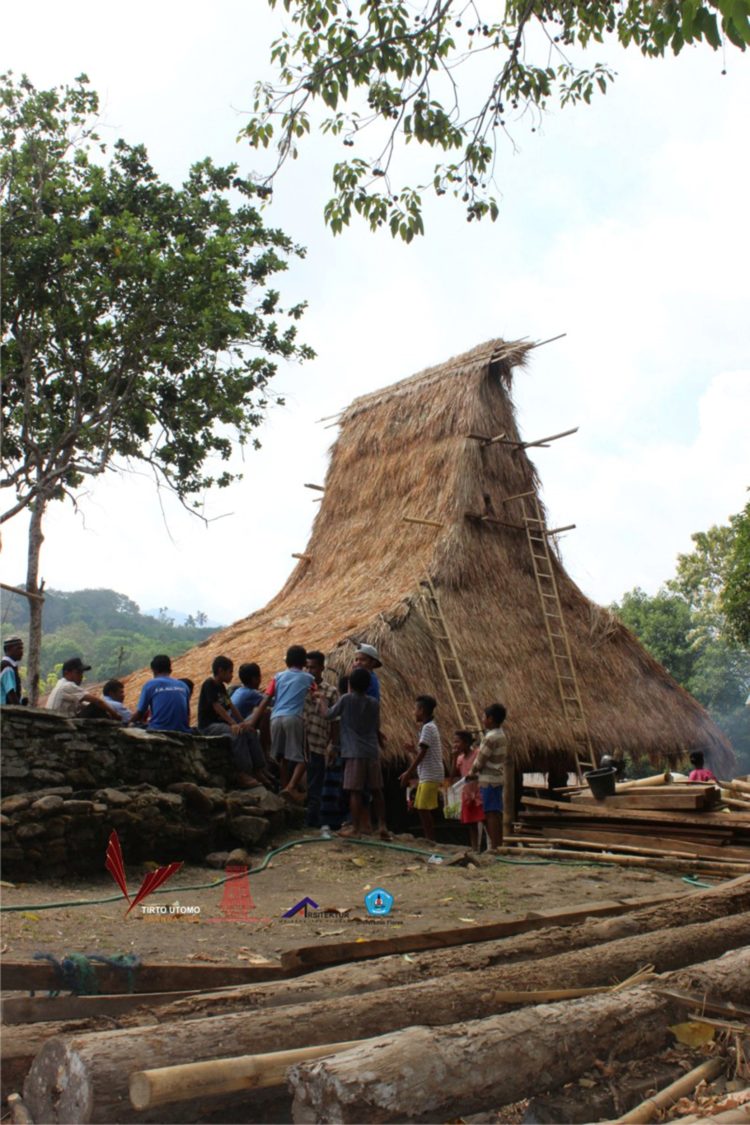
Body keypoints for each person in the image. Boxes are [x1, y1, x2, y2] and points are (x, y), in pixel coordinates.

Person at [319, 666, 389, 839]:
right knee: (377, 790)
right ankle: (382, 825)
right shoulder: (374, 703)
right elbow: (376, 727)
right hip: (371, 751)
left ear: (350, 684)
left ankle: (356, 829)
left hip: (353, 752)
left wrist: (321, 700)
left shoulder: (346, 699)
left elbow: (328, 715)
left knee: (355, 791)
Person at [249, 645, 315, 800]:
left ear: (288, 661)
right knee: (304, 759)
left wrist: (252, 723)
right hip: (294, 718)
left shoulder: (277, 677)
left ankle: (284, 789)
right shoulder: (308, 678)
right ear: (304, 662)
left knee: (282, 757)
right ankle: (291, 787)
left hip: (275, 718)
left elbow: (265, 700)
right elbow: (315, 694)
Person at [198, 655, 270, 789]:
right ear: (221, 671)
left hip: (221, 724)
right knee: (237, 735)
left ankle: (259, 769)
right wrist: (233, 724)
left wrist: (244, 723)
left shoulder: (222, 688)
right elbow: (217, 707)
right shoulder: (209, 684)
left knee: (249, 732)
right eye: (230, 671)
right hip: (209, 726)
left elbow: (230, 706)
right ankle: (243, 773)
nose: (232, 675)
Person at [399, 694, 444, 843]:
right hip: (428, 773)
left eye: (415, 709)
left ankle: (431, 840)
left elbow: (423, 753)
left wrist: (408, 773)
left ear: (422, 710)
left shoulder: (428, 728)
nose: (414, 712)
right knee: (420, 807)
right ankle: (429, 838)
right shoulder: (429, 727)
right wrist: (413, 750)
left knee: (423, 808)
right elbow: (423, 751)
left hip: (430, 774)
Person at [303, 651, 339, 828]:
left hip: (318, 744)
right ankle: (298, 822)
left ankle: (311, 824)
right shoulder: (300, 687)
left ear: (322, 668)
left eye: (313, 667)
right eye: (307, 667)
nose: (310, 671)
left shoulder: (331, 691)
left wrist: (333, 745)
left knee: (315, 787)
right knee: (300, 785)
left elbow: (335, 722)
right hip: (301, 744)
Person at [467, 703, 508, 851]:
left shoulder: (490, 737)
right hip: (497, 779)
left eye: (484, 717)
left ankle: (495, 847)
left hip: (488, 780)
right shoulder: (501, 735)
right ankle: (499, 845)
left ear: (490, 719)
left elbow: (481, 759)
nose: (482, 719)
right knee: (496, 814)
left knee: (490, 813)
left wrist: (471, 772)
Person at [129, 655, 191, 733]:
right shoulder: (183, 686)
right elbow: (187, 714)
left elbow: (140, 713)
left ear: (154, 670)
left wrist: (128, 724)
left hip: (158, 729)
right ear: (170, 669)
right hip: (183, 730)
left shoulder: (150, 684)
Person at [46, 658, 121, 720]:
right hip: (60, 722)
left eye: (82, 673)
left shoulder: (60, 684)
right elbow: (98, 701)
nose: (81, 676)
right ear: (67, 673)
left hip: (58, 721)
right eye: (78, 673)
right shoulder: (68, 685)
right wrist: (114, 714)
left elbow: (83, 705)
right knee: (96, 706)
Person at [451, 729, 484, 851]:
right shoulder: (460, 759)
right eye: (454, 742)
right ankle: (475, 848)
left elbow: (483, 771)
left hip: (478, 792)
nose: (455, 745)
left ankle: (492, 847)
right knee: (471, 823)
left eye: (457, 742)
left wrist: (474, 776)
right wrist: (454, 758)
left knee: (484, 820)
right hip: (467, 794)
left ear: (466, 743)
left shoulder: (477, 754)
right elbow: (452, 774)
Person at [1, 636, 25, 705]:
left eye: (22, 649)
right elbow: (10, 692)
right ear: (9, 649)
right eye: (19, 648)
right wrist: (19, 709)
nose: (22, 651)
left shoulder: (11, 666)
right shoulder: (6, 667)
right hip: (6, 710)